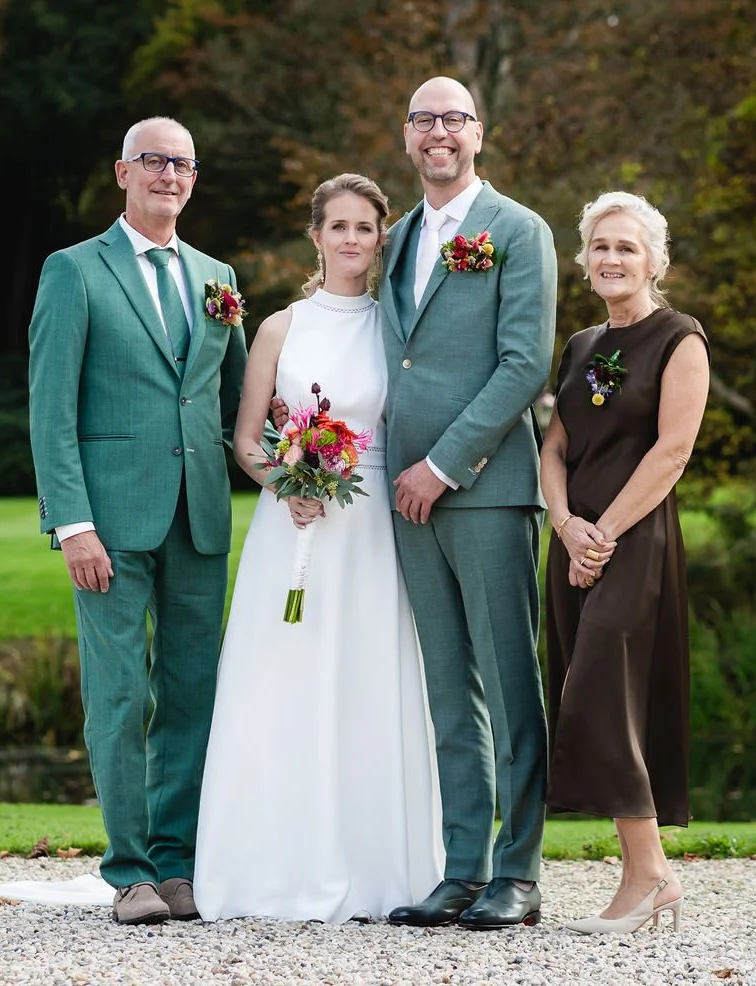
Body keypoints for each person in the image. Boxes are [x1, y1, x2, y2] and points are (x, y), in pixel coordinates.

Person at [192, 173, 444, 923]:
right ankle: (270, 865)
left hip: (374, 530)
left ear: (381, 237)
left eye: (365, 227)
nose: (352, 240)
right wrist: (286, 481)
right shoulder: (281, 327)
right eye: (338, 226)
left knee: (368, 681)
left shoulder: (399, 328)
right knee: (283, 680)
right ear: (316, 236)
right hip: (293, 527)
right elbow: (246, 439)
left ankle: (378, 869)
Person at [27, 117, 248, 925]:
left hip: (200, 519)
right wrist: (71, 522)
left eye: (182, 163)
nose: (168, 175)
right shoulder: (73, 270)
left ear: (194, 177)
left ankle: (177, 863)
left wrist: (304, 462)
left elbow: (236, 403)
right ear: (123, 172)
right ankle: (129, 873)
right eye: (153, 161)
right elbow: (50, 408)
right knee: (119, 695)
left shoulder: (217, 276)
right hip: (110, 523)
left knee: (192, 695)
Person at [380, 77, 557, 930]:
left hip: (484, 490)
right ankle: (463, 870)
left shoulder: (517, 231)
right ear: (407, 136)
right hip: (402, 498)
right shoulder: (397, 238)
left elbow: (525, 364)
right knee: (449, 689)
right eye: (424, 120)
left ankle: (518, 872)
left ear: (479, 133)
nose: (438, 132)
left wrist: (443, 465)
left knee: (509, 683)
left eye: (454, 118)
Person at [540, 190, 710, 934]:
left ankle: (649, 876)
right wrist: (566, 526)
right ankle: (648, 874)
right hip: (574, 540)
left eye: (627, 247)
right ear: (585, 260)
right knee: (586, 691)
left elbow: (673, 451)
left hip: (634, 542)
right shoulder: (580, 345)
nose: (611, 258)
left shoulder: (680, 339)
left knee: (604, 693)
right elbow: (554, 447)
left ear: (654, 261)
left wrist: (602, 535)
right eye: (600, 246)